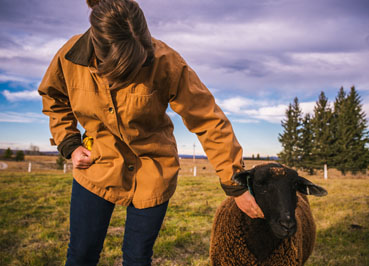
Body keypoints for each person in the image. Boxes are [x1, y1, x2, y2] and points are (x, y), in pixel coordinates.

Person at [38, 0, 264, 265]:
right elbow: (53, 96)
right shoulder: (70, 55)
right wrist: (69, 142)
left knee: (137, 258)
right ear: (98, 55)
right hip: (97, 166)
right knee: (81, 254)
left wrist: (235, 185)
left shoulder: (167, 62)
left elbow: (209, 120)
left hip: (153, 170)